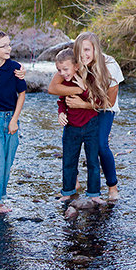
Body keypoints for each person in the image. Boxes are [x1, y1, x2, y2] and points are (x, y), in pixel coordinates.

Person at [47, 47, 109, 209]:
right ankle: (67, 191)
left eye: (65, 69)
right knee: (69, 160)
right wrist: (61, 113)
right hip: (71, 127)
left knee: (93, 161)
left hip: (91, 126)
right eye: (59, 70)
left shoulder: (90, 77)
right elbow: (61, 100)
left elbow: (98, 100)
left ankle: (94, 194)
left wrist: (85, 88)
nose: (62, 72)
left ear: (76, 66)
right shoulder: (64, 83)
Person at [72, 32, 124, 201]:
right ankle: (75, 182)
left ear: (95, 49)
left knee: (101, 145)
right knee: (73, 140)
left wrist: (82, 105)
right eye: (79, 51)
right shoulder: (76, 64)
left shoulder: (110, 65)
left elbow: (109, 102)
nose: (83, 55)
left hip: (104, 108)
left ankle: (112, 186)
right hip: (86, 104)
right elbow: (55, 86)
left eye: (87, 50)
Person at [0, 31, 27, 214]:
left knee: (7, 160)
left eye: (9, 44)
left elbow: (22, 94)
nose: (9, 48)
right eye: (5, 46)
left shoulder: (15, 67)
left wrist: (15, 120)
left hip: (11, 118)